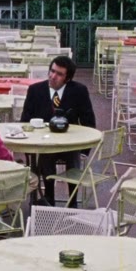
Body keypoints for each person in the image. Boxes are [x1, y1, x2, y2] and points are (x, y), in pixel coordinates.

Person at [20, 55, 96, 207]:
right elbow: (25, 120)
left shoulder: (79, 91)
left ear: (67, 78)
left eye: (59, 74)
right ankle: (49, 199)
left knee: (74, 154)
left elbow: (89, 122)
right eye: (52, 71)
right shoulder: (35, 90)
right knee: (46, 155)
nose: (53, 76)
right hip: (44, 144)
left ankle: (72, 201)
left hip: (70, 144)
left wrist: (85, 150)